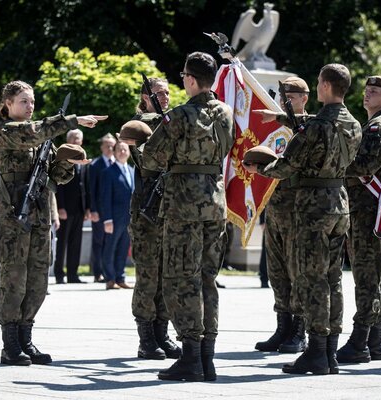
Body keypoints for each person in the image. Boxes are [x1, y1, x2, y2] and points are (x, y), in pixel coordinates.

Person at [245, 63, 362, 375]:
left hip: (313, 207)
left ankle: (316, 350)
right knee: (334, 279)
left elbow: (287, 165)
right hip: (339, 202)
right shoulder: (354, 125)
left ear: (324, 86)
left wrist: (261, 171)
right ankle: (330, 351)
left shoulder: (315, 128)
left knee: (310, 279)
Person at [0, 80, 105, 366]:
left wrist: (66, 162)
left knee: (38, 280)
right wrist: (71, 121)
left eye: (32, 102)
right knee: (14, 279)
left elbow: (55, 179)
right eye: (23, 102)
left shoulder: (39, 139)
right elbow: (32, 133)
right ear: (8, 104)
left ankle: (26, 338)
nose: (30, 107)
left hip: (39, 216)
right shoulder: (2, 132)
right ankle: (10, 344)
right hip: (12, 217)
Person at [141, 52, 233, 382]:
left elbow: (152, 157)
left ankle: (191, 356)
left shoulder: (179, 115)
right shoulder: (225, 113)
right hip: (215, 203)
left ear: (191, 80)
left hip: (183, 206)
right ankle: (207, 358)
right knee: (207, 278)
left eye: (183, 77)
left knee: (182, 279)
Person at [337, 75, 381, 364]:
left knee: (366, 278)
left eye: (374, 92)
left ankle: (360, 340)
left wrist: (334, 161)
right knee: (371, 277)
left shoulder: (379, 126)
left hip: (367, 211)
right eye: (366, 91)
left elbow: (365, 165)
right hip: (363, 210)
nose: (367, 95)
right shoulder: (372, 125)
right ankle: (375, 342)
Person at [252, 76, 313, 354]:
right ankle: (283, 326)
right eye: (281, 94)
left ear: (304, 98)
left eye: (291, 95)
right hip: (276, 208)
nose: (284, 99)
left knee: (296, 272)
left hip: (298, 209)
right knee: (277, 273)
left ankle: (300, 330)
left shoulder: (308, 127)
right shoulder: (277, 129)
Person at [124, 78, 182, 360]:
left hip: (169, 209)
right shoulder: (141, 124)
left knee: (167, 276)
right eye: (159, 93)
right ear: (145, 97)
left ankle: (162, 332)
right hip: (147, 213)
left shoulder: (170, 121)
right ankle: (146, 337)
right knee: (148, 277)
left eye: (168, 92)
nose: (166, 97)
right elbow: (148, 156)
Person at [53, 129, 91, 284]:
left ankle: (73, 274)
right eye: (74, 139)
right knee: (62, 242)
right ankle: (59, 274)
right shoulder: (62, 158)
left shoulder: (84, 160)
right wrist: (60, 207)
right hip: (65, 209)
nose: (77, 141)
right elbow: (59, 186)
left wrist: (87, 207)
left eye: (79, 139)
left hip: (79, 208)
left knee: (76, 243)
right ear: (68, 141)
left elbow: (86, 186)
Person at [100, 141, 134, 289]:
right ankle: (110, 279)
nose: (122, 152)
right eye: (119, 150)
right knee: (110, 248)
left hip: (129, 219)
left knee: (123, 248)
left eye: (125, 149)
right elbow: (105, 197)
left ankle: (120, 278)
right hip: (113, 218)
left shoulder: (133, 171)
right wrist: (107, 219)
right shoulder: (108, 172)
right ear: (114, 153)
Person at [88, 133, 117, 282]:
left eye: (112, 145)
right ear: (102, 147)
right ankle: (97, 272)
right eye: (107, 146)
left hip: (113, 211)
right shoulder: (95, 165)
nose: (110, 148)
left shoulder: (117, 163)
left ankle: (109, 272)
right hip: (99, 211)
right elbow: (91, 189)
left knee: (111, 242)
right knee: (99, 242)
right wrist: (93, 210)